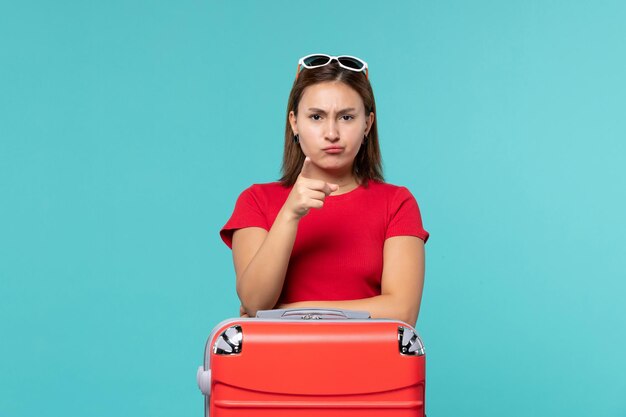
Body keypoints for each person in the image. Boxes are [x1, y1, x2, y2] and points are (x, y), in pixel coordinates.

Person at [220, 54, 429, 325]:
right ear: (295, 122)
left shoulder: (397, 203)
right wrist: (289, 214)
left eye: (346, 117)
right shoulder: (256, 201)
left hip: (370, 365)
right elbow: (256, 301)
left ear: (367, 124)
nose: (331, 132)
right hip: (276, 365)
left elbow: (402, 311)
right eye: (316, 116)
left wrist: (288, 312)